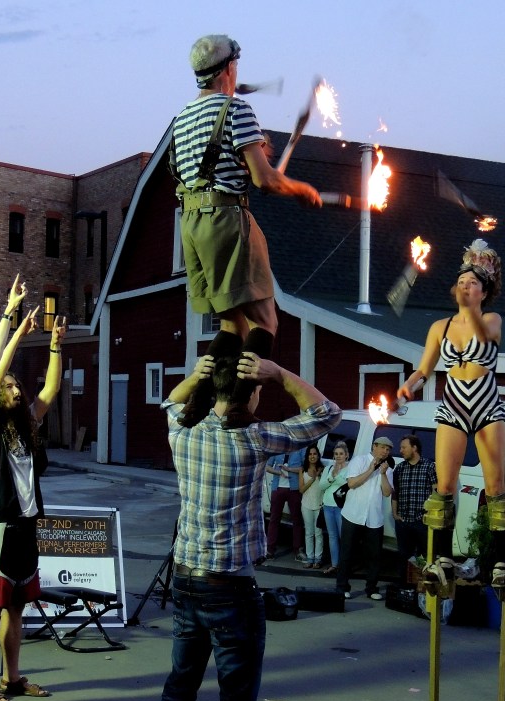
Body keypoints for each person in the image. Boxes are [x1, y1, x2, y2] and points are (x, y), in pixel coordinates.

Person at [140, 350, 341, 701]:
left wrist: (194, 378)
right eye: (258, 390)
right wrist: (282, 374)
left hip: (187, 580)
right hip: (230, 586)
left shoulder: (183, 434)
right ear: (250, 395)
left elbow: (170, 403)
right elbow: (326, 414)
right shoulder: (254, 439)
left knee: (177, 694)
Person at [170, 34, 322, 428]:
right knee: (264, 320)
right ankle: (238, 405)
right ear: (229, 68)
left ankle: (198, 400)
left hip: (191, 225)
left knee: (230, 323)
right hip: (225, 220)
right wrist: (301, 189)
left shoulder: (182, 118)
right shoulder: (236, 109)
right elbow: (265, 180)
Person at [397, 239, 505, 587]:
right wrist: (410, 385)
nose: (465, 286)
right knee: (445, 486)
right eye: (461, 282)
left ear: (484, 291)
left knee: (495, 486)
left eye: (472, 283)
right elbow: (425, 368)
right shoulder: (440, 327)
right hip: (453, 404)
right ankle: (442, 560)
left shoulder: (493, 319)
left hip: (486, 404)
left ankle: (500, 564)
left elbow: (483, 333)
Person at [0, 305, 65, 701]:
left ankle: (12, 679)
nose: (12, 389)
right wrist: (17, 336)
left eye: (14, 386)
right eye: (7, 386)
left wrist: (57, 347)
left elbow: (50, 392)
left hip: (26, 525)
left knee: (16, 608)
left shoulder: (25, 426)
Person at [336, 437, 394, 601]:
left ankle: (372, 588)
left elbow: (387, 492)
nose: (385, 452)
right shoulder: (359, 460)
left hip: (374, 518)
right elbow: (352, 483)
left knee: (374, 555)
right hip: (353, 514)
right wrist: (370, 470)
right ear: (374, 446)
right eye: (383, 448)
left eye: (388, 449)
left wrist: (382, 474)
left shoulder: (387, 468)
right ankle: (342, 587)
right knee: (347, 553)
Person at [391, 435, 437, 586]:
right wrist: (395, 514)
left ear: (414, 448)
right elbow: (395, 492)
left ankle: (425, 588)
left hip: (421, 521)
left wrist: (431, 514)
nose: (401, 450)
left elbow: (436, 492)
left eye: (404, 447)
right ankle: (404, 587)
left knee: (426, 556)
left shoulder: (429, 466)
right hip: (403, 521)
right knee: (404, 556)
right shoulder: (400, 468)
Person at [265, 449, 305, 561]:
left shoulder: (301, 449)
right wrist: (278, 472)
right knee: (274, 519)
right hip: (278, 488)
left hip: (294, 489)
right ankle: (270, 550)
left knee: (297, 520)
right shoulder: (279, 448)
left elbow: (304, 467)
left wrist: (289, 469)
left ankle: (297, 550)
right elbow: (267, 466)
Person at [318, 441, 350, 575]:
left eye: (341, 454)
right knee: (332, 536)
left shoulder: (350, 468)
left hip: (341, 507)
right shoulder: (329, 468)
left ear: (346, 455)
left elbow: (348, 486)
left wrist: (336, 478)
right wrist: (332, 477)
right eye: (336, 454)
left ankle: (344, 565)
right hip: (328, 505)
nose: (338, 456)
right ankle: (334, 564)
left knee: (344, 537)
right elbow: (321, 486)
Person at [298, 444, 324, 569]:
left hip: (319, 505)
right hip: (306, 505)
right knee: (309, 533)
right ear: (307, 456)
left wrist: (319, 476)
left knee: (318, 533)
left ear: (318, 455)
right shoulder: (302, 470)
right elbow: (301, 490)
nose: (312, 456)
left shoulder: (323, 470)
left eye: (314, 454)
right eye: (310, 454)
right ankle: (309, 558)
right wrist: (313, 479)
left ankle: (317, 560)